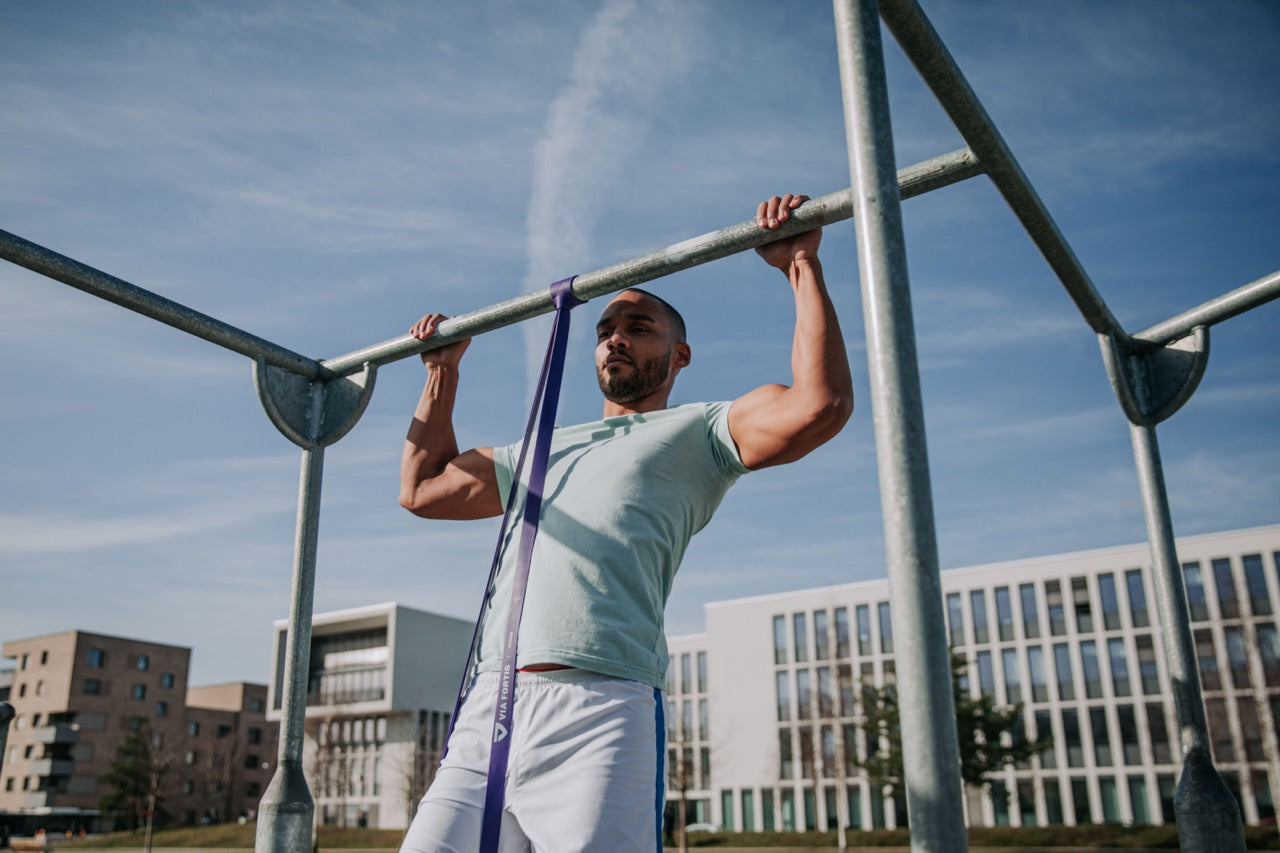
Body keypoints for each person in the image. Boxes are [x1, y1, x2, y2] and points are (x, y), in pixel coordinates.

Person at [398, 194, 853, 852]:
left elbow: (820, 405)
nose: (616, 335)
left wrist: (800, 264)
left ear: (681, 353)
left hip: (601, 707)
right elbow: (421, 488)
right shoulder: (542, 445)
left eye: (639, 326)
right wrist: (442, 372)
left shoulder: (698, 431)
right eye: (607, 327)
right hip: (489, 709)